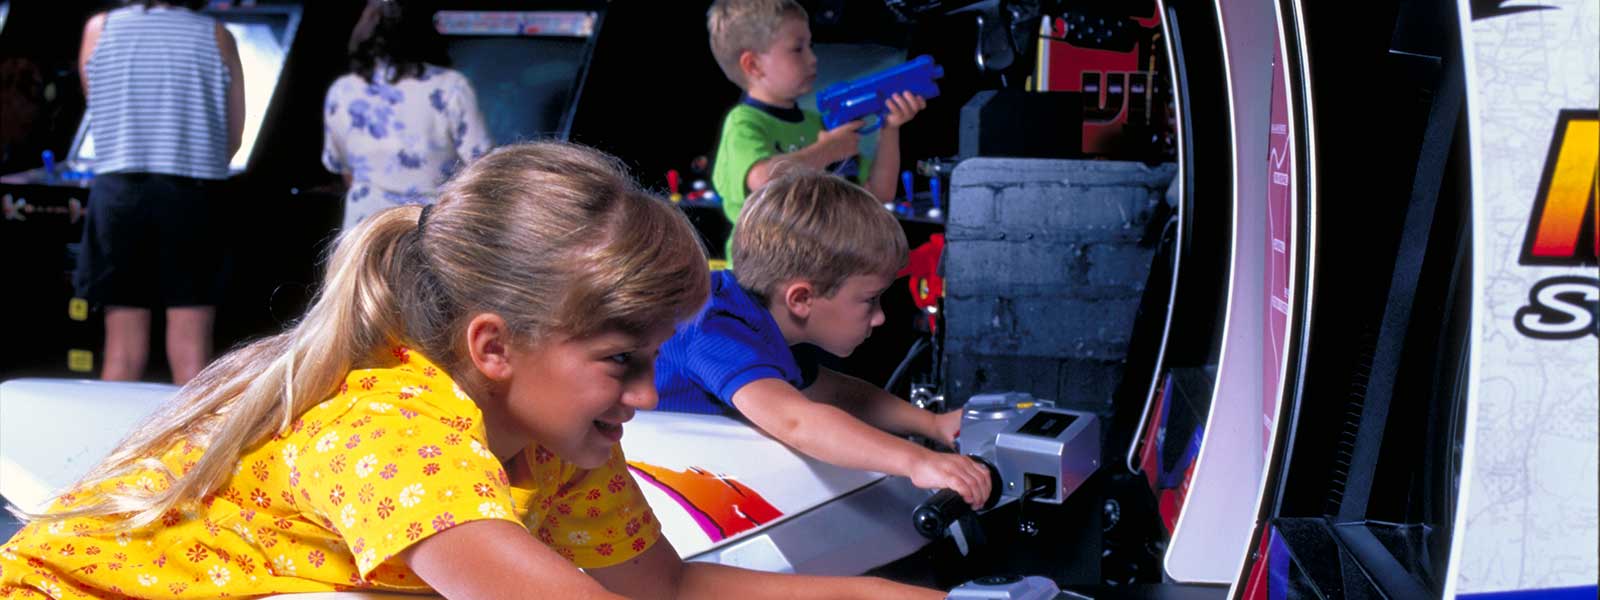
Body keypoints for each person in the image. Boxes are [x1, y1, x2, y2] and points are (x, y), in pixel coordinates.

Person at [0, 142, 944, 599]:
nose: (650, 396)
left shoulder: (552, 442)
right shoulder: (392, 432)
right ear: (494, 348)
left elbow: (672, 589)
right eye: (622, 360)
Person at [654, 170, 993, 510]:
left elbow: (835, 392)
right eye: (869, 300)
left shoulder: (759, 323)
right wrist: (919, 462)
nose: (880, 317)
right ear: (801, 299)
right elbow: (798, 421)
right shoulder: (712, 327)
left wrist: (934, 424)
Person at [74, 0, 245, 384]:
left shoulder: (99, 29)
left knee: (121, 353)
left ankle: (116, 446)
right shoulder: (217, 35)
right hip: (193, 196)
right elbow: (232, 139)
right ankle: (194, 446)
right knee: (191, 355)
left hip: (120, 196)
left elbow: (102, 113)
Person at [707, 0, 926, 258]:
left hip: (817, 272)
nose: (813, 58)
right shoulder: (744, 123)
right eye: (797, 49)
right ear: (753, 65)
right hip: (759, 276)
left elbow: (877, 194)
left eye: (810, 46)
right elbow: (764, 180)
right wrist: (827, 149)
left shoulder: (816, 125)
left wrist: (890, 129)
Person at [323, 0, 492, 232]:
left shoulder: (342, 91)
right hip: (431, 232)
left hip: (363, 234)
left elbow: (344, 170)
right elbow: (481, 169)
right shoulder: (452, 87)